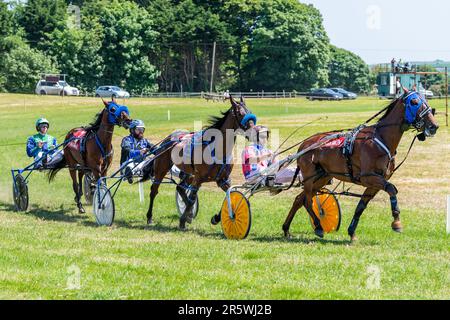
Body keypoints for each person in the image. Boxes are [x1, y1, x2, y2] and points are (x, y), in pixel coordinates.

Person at [121, 119, 154, 183]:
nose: (141, 132)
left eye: (142, 130)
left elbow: (155, 149)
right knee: (130, 163)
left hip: (141, 165)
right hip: (127, 163)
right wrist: (139, 152)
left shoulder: (145, 141)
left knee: (151, 160)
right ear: (132, 130)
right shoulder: (126, 140)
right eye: (138, 130)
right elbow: (128, 152)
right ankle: (128, 173)